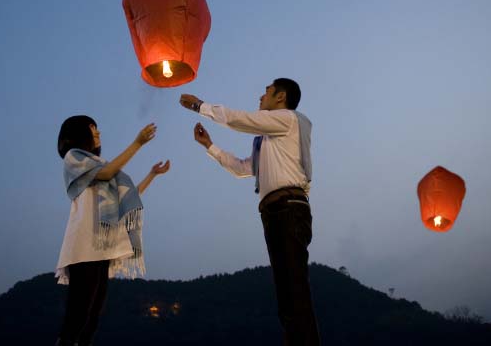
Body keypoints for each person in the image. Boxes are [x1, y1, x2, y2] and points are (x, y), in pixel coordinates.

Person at [180, 79, 319, 346]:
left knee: (294, 292)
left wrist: (200, 106)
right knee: (287, 296)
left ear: (281, 97)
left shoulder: (287, 119)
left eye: (266, 92)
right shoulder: (269, 140)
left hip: (289, 209)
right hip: (275, 212)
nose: (260, 96)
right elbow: (243, 168)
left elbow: (240, 120)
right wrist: (210, 146)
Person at [55, 115, 170, 346]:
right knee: (77, 316)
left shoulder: (101, 167)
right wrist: (137, 143)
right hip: (83, 248)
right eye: (91, 128)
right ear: (78, 132)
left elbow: (128, 197)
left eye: (97, 129)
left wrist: (152, 175)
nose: (97, 132)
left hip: (101, 250)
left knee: (93, 317)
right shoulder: (74, 158)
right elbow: (107, 173)